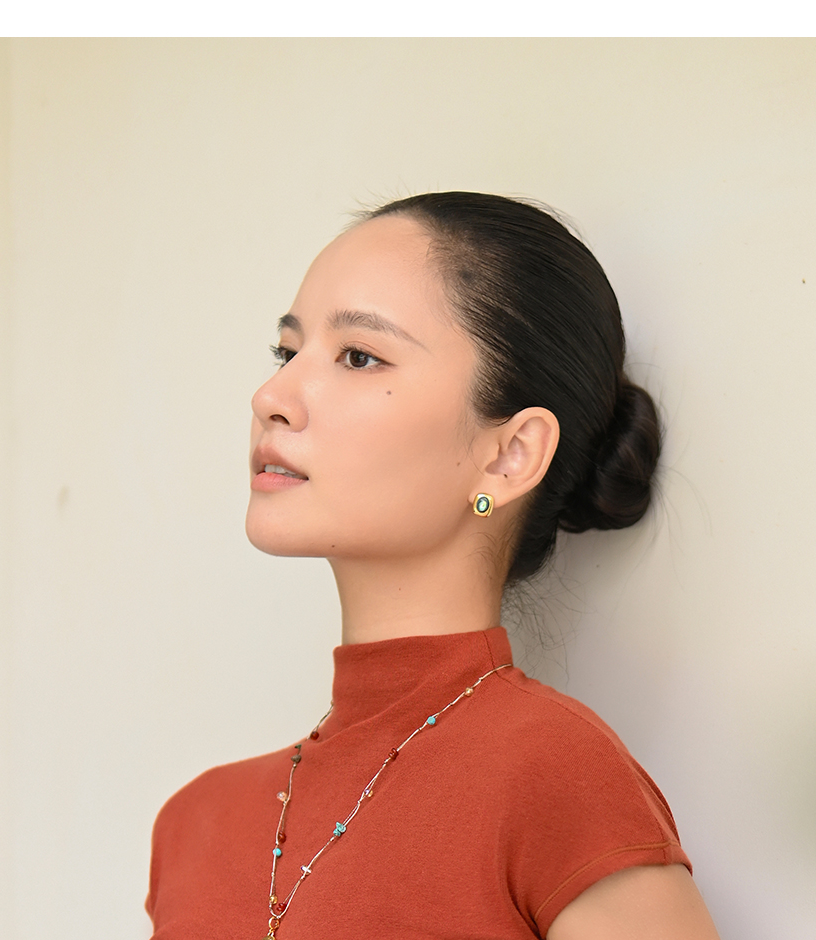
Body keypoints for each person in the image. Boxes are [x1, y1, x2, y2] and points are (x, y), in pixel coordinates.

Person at [145, 193, 720, 939]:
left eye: (359, 356)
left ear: (509, 457)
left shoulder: (554, 779)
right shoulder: (196, 826)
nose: (271, 397)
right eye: (288, 352)